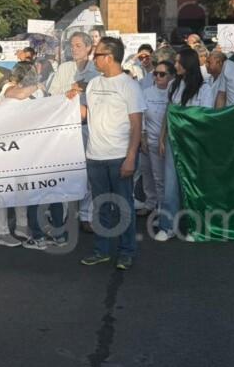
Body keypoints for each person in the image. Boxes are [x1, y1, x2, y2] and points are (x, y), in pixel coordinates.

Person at [72, 37, 145, 270]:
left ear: (110, 57)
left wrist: (131, 157)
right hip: (95, 156)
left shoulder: (129, 85)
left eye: (97, 55)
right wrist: (69, 102)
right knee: (100, 206)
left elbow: (136, 124)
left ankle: (126, 251)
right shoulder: (94, 83)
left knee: (124, 206)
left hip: (119, 157)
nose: (93, 59)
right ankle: (101, 250)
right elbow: (85, 114)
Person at [2, 62, 66, 250]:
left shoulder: (15, 95)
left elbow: (12, 96)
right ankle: (59, 235)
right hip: (48, 148)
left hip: (30, 151)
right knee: (53, 192)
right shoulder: (42, 93)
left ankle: (38, 237)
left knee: (34, 194)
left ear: (17, 78)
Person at [156, 48, 213, 242]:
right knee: (170, 185)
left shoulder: (204, 88)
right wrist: (162, 137)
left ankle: (196, 227)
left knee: (192, 185)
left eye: (179, 62)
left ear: (188, 64)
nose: (176, 65)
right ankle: (167, 226)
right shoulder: (173, 85)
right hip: (173, 140)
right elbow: (168, 112)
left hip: (193, 142)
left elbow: (205, 117)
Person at [49, 31, 99, 231]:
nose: (74, 49)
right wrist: (70, 91)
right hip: (66, 127)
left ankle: (86, 215)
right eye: (72, 45)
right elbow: (52, 95)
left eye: (78, 45)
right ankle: (62, 214)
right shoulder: (64, 68)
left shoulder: (96, 69)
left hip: (88, 126)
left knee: (88, 173)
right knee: (66, 171)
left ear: (88, 47)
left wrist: (86, 88)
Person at [138, 60, 174, 219]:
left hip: (166, 143)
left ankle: (163, 212)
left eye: (162, 74)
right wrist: (142, 135)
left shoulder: (174, 93)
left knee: (162, 179)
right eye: (155, 73)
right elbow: (141, 115)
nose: (158, 76)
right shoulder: (146, 92)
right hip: (149, 140)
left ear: (171, 76)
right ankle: (151, 205)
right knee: (148, 174)